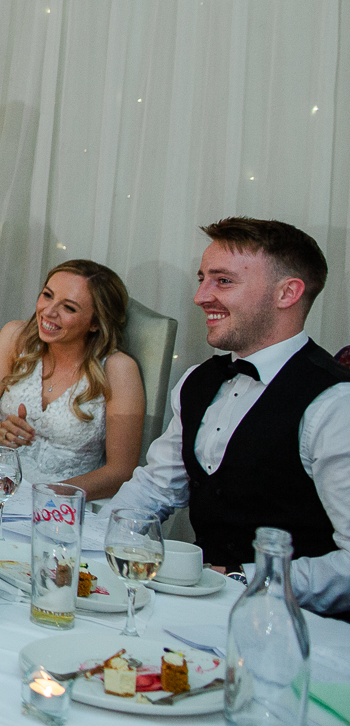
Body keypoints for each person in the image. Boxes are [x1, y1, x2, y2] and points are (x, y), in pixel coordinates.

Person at [105, 218, 350, 612]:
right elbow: (156, 488)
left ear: (287, 292)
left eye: (223, 281)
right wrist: (99, 538)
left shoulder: (335, 403)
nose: (201, 296)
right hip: (199, 614)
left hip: (296, 628)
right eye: (202, 278)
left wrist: (238, 579)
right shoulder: (197, 381)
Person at [0, 260, 143, 496]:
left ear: (96, 323)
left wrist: (46, 495)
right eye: (47, 295)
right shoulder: (16, 336)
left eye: (69, 308)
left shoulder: (119, 369)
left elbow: (120, 472)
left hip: (61, 501)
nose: (48, 311)